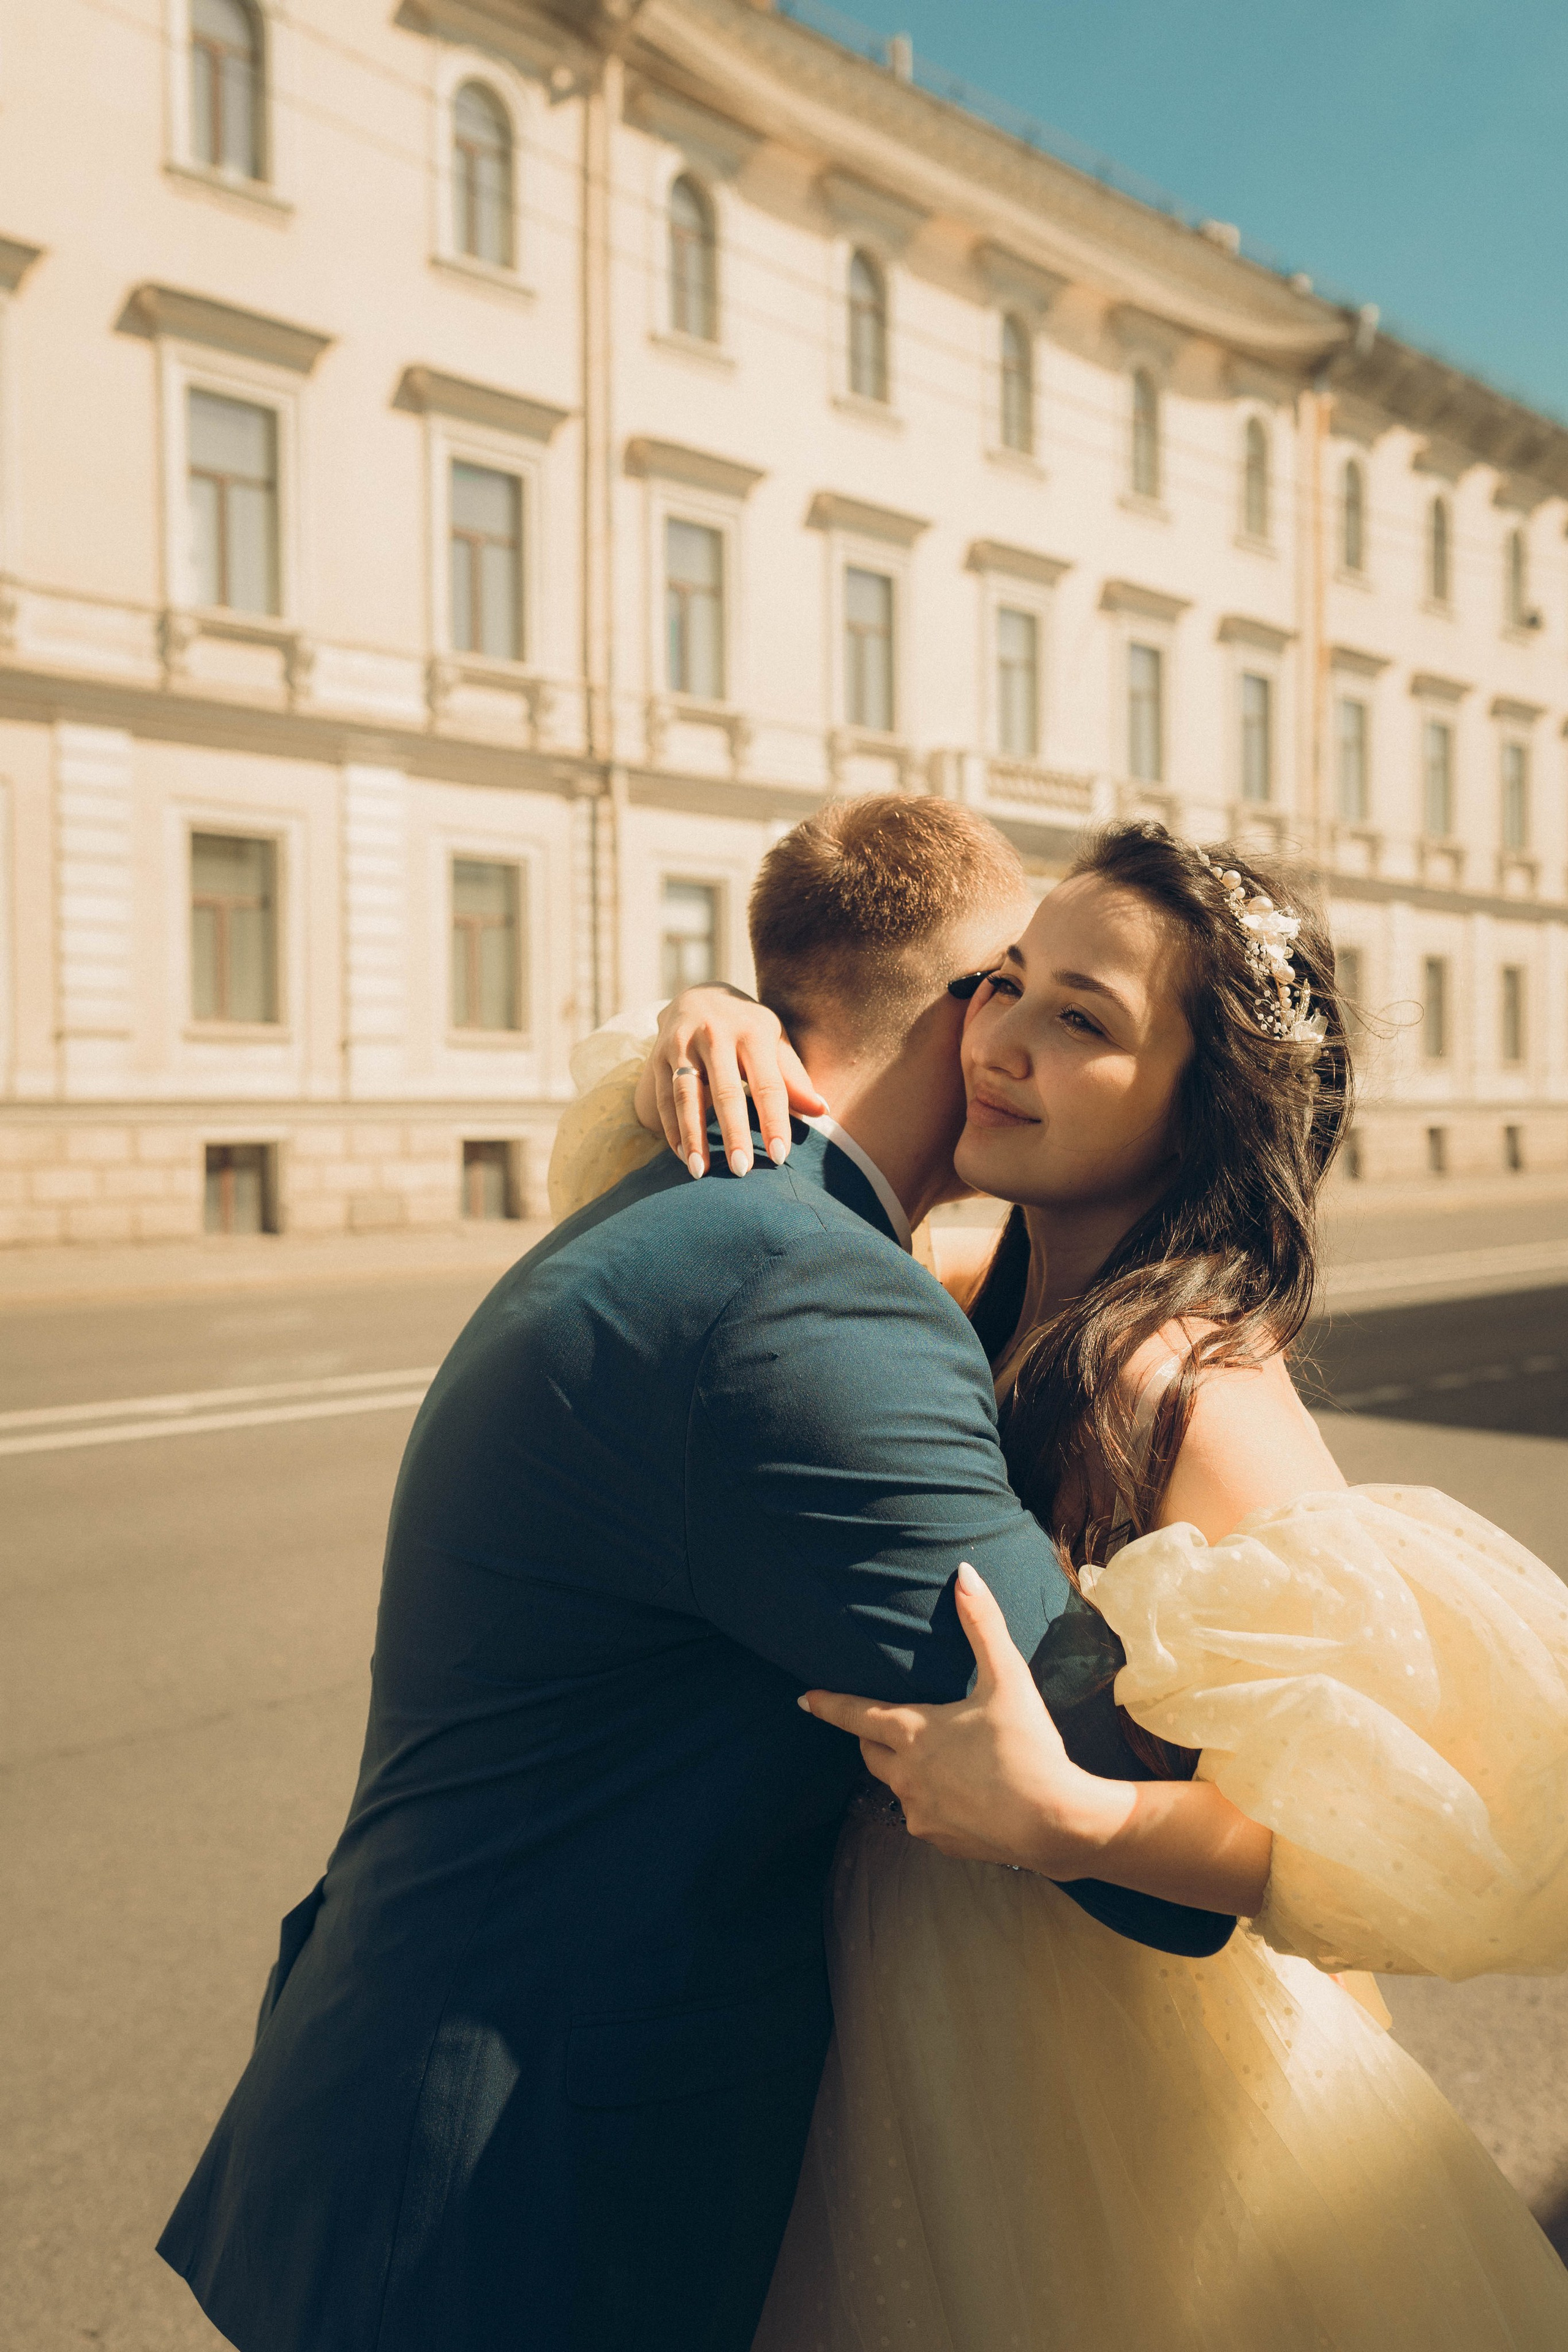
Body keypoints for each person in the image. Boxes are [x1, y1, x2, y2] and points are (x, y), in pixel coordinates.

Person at [157, 797, 1263, 2352]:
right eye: (1004, 981)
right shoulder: (804, 1294)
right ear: (955, 1008)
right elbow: (1107, 1796)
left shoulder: (704, 1211)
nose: (1013, 1032)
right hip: (509, 2206)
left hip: (412, 2112)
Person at [611, 819, 1568, 2350]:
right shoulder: (974, 1299)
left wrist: (1079, 1817)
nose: (1002, 1043)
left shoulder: (1177, 1377)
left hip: (1098, 2074)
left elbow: (1350, 1810)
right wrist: (724, 1017)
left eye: (1085, 1022)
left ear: (1199, 1111)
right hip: (896, 2009)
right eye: (1005, 987)